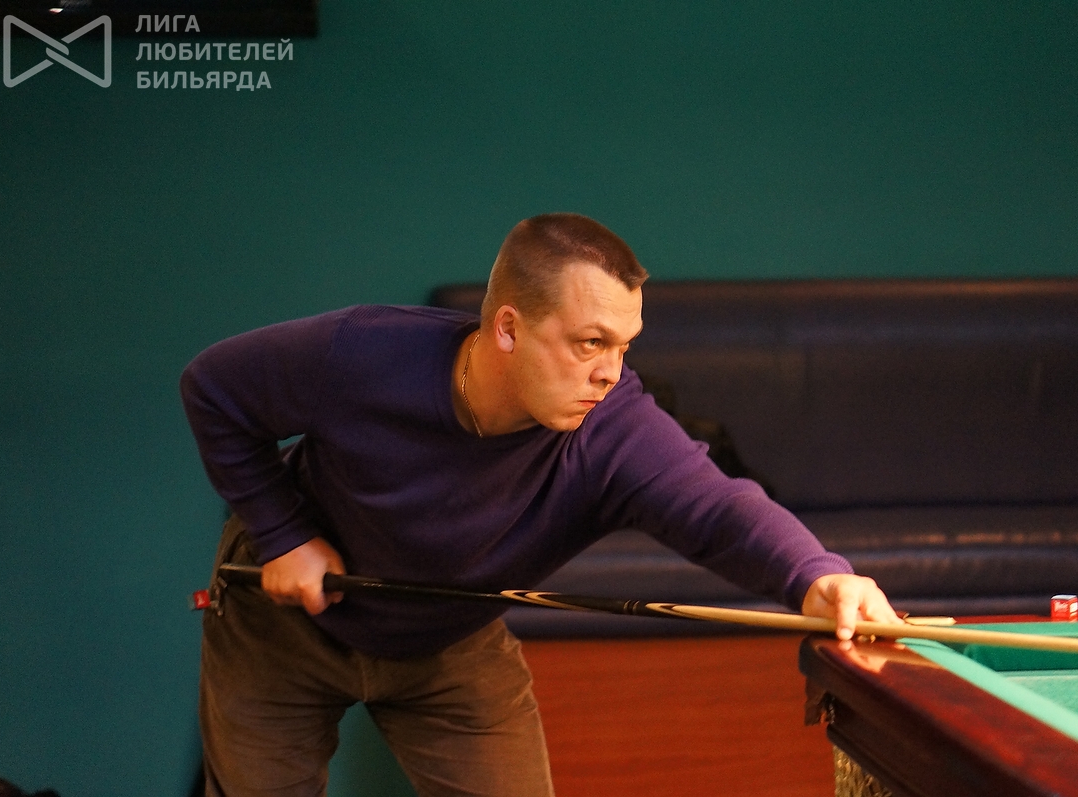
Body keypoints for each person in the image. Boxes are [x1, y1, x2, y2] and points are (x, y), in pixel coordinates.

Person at [181, 213, 900, 797]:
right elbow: (214, 389)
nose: (609, 373)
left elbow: (717, 509)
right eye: (590, 342)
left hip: (448, 637)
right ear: (507, 328)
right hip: (284, 625)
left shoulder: (614, 424)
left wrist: (817, 576)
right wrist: (283, 533)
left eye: (624, 346)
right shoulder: (360, 353)